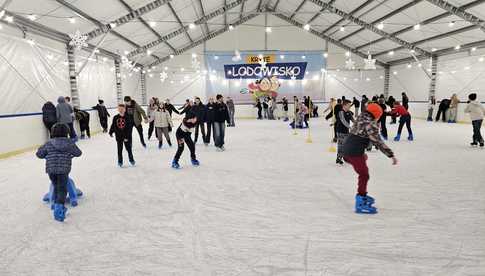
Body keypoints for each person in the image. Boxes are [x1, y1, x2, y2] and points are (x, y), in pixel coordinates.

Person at [342, 103, 397, 214]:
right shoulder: (370, 124)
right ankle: (360, 200)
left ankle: (362, 195)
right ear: (377, 114)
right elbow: (378, 142)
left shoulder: (361, 116)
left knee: (364, 159)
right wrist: (391, 155)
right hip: (354, 152)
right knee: (364, 175)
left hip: (346, 149)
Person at [36, 123, 82, 221]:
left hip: (51, 170)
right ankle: (58, 209)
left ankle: (55, 203)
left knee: (56, 186)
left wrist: (43, 150)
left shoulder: (48, 143)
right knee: (62, 190)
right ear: (67, 133)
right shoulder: (69, 143)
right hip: (63, 170)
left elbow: (39, 154)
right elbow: (78, 153)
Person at [335, 99, 354, 164]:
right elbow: (343, 121)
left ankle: (344, 157)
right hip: (340, 131)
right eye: (349, 105)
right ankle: (339, 158)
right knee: (341, 145)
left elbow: (353, 120)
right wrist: (350, 127)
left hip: (346, 131)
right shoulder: (341, 112)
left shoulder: (349, 112)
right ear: (344, 105)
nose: (350, 107)